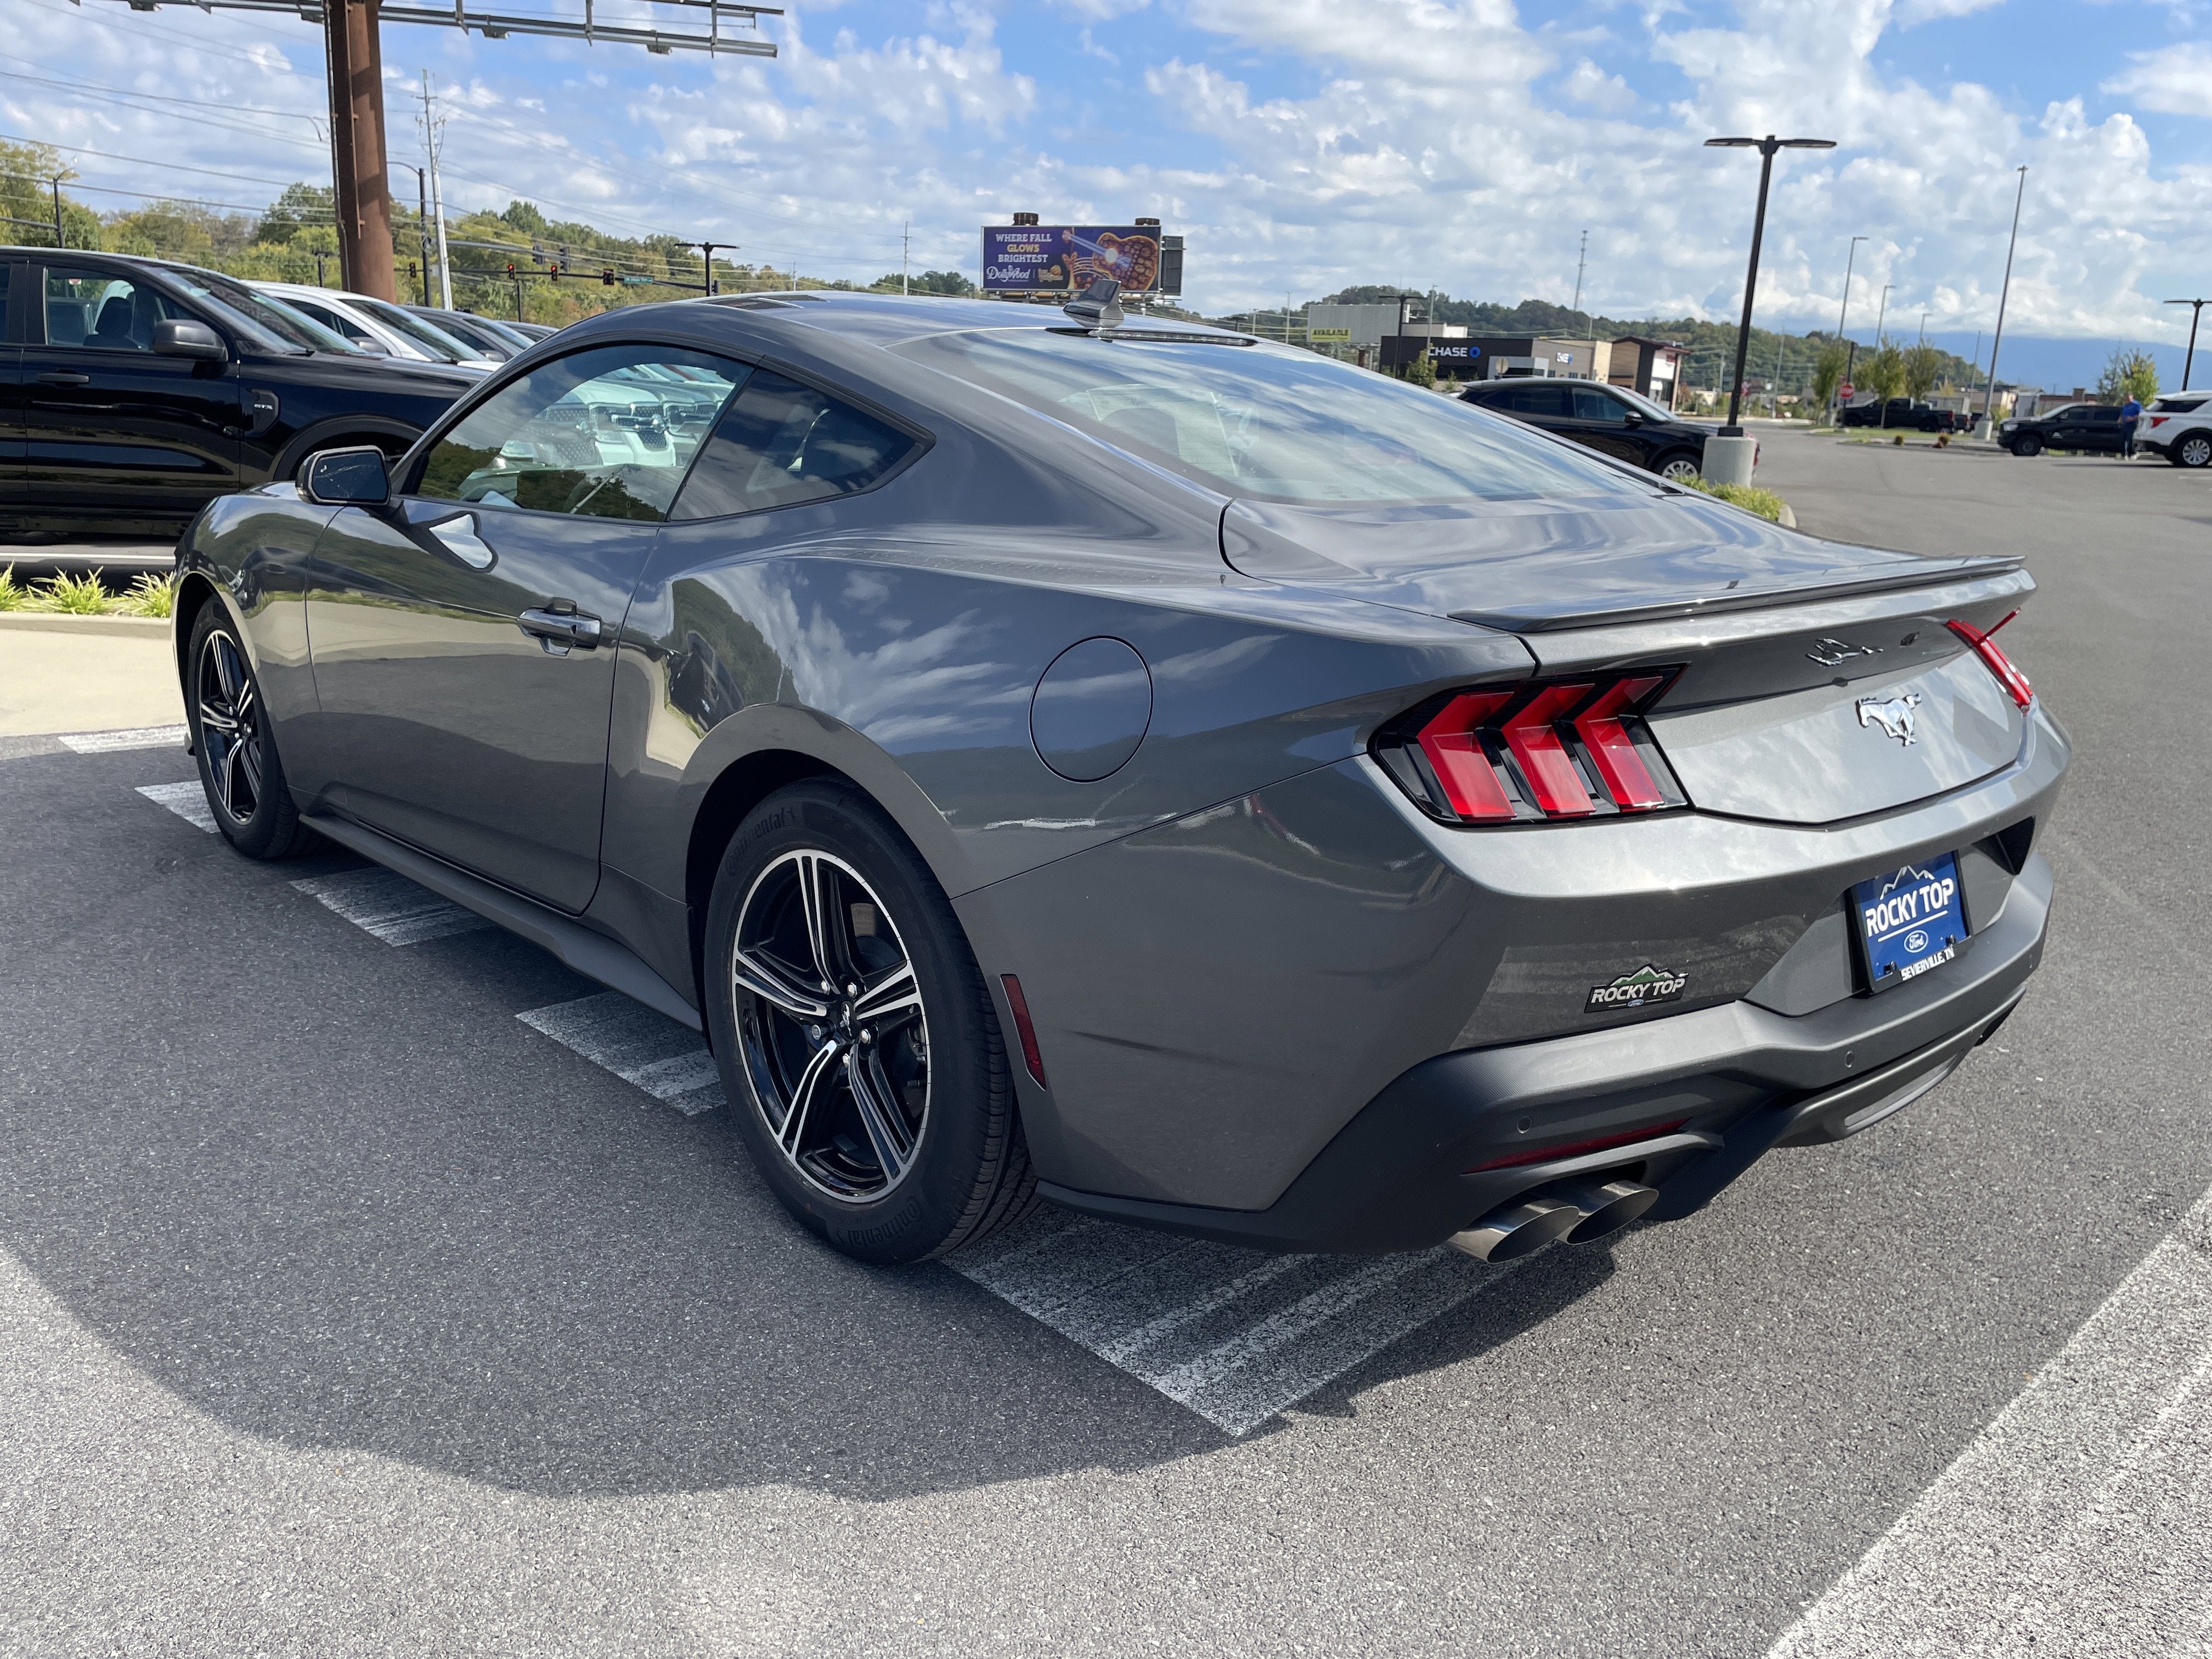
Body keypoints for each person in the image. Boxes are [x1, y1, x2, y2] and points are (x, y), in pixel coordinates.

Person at [2120, 392, 2142, 459]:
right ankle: (2123, 455)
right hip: (2125, 424)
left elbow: (2141, 414)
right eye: (2126, 397)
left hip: (2133, 424)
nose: (2127, 398)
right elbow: (2122, 414)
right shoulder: (2125, 405)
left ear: (2132, 396)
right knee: (2122, 439)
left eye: (2128, 397)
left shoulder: (2136, 405)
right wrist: (2120, 419)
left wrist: (2132, 418)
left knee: (2130, 439)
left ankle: (2131, 454)